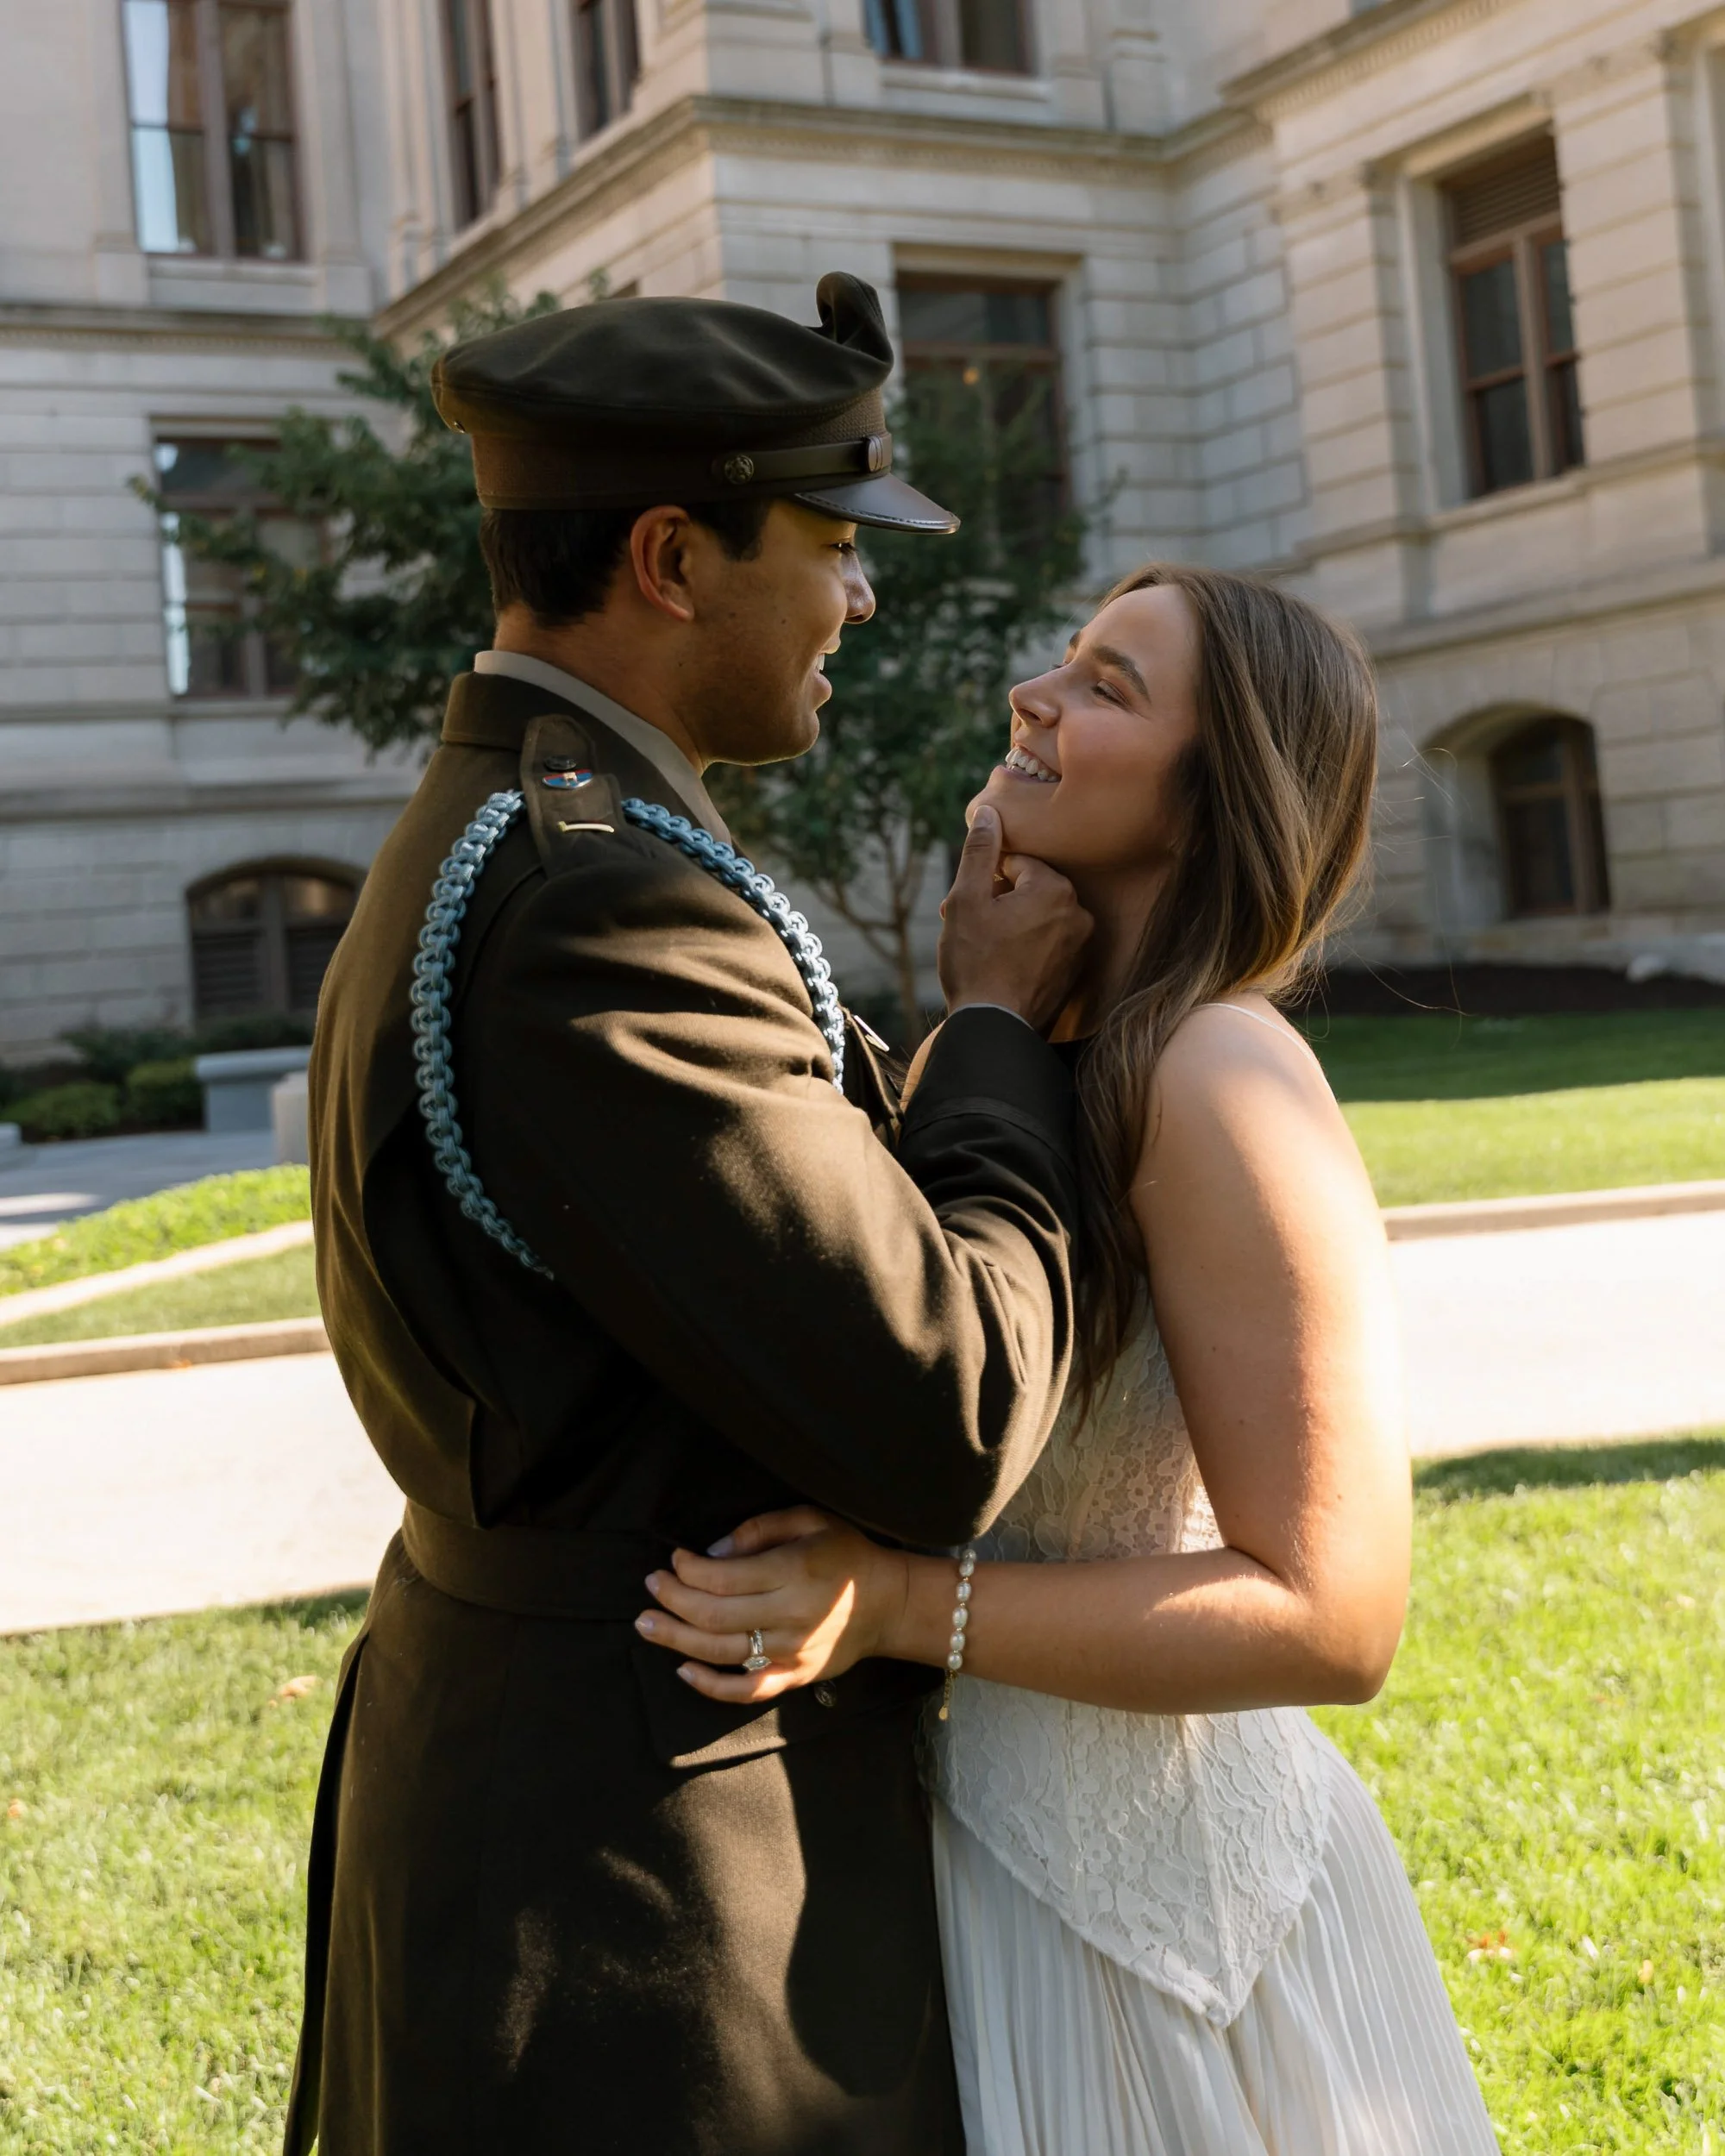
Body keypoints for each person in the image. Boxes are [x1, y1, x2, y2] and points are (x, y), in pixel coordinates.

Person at [285, 273, 1095, 2156]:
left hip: (546, 1785)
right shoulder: (600, 903)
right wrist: (991, 1032)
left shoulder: (544, 820)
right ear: (668, 555)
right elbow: (945, 1400)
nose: (861, 600)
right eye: (830, 545)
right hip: (639, 1881)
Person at [640, 564, 1502, 2153]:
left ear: (1214, 791)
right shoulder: (1034, 1050)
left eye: (1109, 686)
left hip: (1164, 1923)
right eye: (1066, 659)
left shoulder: (1224, 1068)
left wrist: (894, 1605)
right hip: (970, 1876)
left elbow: (1337, 1611)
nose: (1035, 694)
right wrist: (980, 1012)